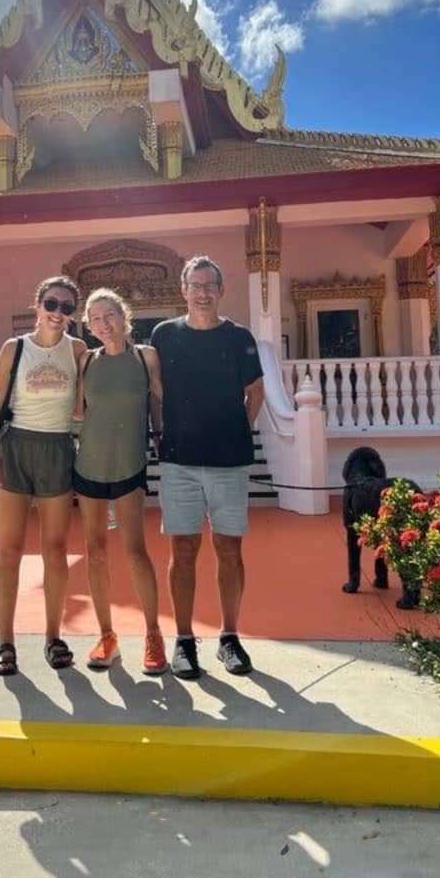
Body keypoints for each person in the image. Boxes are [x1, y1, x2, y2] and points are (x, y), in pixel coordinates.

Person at [152, 255, 264, 679]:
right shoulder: (165, 334)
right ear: (183, 290)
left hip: (229, 461)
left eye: (209, 285)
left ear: (221, 289)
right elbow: (155, 384)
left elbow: (255, 390)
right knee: (182, 551)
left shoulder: (238, 337)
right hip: (180, 461)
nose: (202, 292)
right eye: (194, 285)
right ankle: (183, 640)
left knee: (229, 550)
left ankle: (229, 637)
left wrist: (238, 428)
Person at [0, 276, 87, 676]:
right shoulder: (15, 348)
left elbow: (83, 408)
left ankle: (53, 636)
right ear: (37, 304)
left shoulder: (77, 350)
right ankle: (5, 641)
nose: (58, 313)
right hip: (15, 449)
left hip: (57, 449)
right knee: (9, 549)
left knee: (55, 550)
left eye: (66, 307)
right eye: (52, 303)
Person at [73, 288, 167, 675]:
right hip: (89, 465)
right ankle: (106, 635)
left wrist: (164, 439)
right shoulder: (85, 361)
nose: (102, 324)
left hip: (130, 465)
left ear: (124, 315)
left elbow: (160, 403)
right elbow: (77, 411)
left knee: (135, 552)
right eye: (94, 318)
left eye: (108, 314)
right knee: (94, 553)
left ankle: (153, 633)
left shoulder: (145, 357)